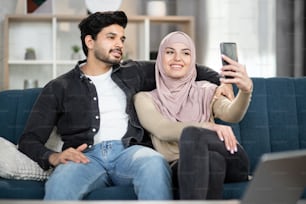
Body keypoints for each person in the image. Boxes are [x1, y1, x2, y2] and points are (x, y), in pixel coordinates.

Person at [18, 11, 229, 200]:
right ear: (90, 42)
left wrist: (223, 83)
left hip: (131, 152)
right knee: (60, 184)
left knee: (154, 164)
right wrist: (53, 157)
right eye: (111, 37)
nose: (120, 44)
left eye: (122, 38)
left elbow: (188, 66)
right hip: (84, 157)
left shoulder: (134, 71)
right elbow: (30, 140)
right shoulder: (59, 87)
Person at [134, 31, 253, 200]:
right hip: (180, 167)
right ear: (160, 58)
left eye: (186, 53)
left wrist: (245, 91)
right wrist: (207, 127)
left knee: (197, 139)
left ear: (192, 60)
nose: (177, 58)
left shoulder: (207, 90)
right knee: (212, 160)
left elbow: (231, 114)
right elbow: (162, 129)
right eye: (169, 52)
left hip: (232, 160)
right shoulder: (144, 99)